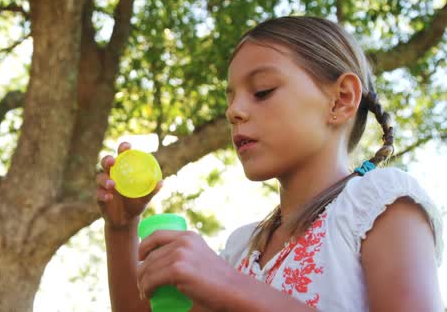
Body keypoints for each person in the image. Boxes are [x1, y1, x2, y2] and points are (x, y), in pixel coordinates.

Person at [95, 16, 444, 311]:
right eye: (229, 99)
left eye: (261, 91)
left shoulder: (377, 205)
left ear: (340, 100)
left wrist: (228, 284)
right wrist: (122, 228)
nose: (234, 111)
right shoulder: (241, 249)